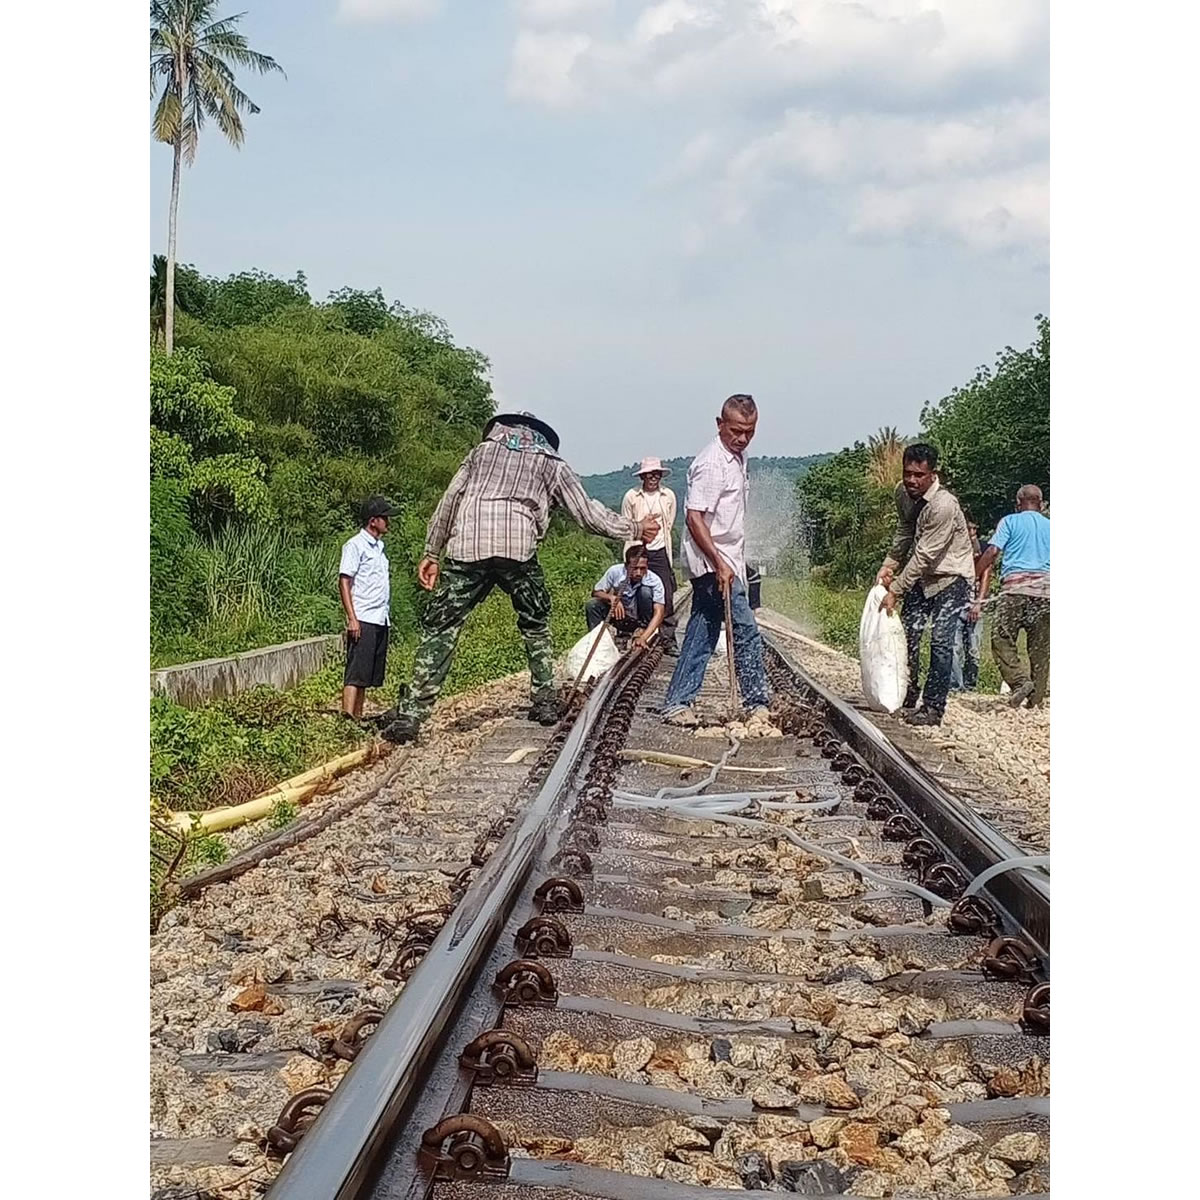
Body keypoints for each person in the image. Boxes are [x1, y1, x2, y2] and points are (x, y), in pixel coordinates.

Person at [381, 412, 660, 743]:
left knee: (442, 627)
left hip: (468, 545)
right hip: (518, 549)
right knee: (535, 623)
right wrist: (636, 528)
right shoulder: (551, 462)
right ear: (540, 435)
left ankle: (412, 715)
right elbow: (587, 514)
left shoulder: (480, 453)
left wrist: (431, 553)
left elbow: (449, 501)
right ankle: (544, 700)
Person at [660, 394, 770, 726]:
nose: (742, 438)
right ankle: (757, 703)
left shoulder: (739, 458)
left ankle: (677, 701)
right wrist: (720, 564)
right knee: (746, 629)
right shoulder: (711, 464)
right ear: (719, 424)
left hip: (727, 560)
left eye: (749, 431)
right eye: (736, 431)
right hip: (712, 563)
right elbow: (694, 519)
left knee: (702, 629)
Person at [876, 444, 976, 727]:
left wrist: (895, 589)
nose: (912, 481)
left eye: (919, 475)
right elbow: (905, 529)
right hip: (922, 577)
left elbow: (925, 554)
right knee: (906, 635)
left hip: (951, 576)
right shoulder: (903, 493)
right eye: (908, 473)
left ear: (933, 474)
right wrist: (890, 563)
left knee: (941, 642)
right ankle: (906, 694)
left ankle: (933, 707)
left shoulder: (944, 505)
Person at [975, 484, 1050, 708]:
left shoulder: (1009, 521)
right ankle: (1035, 702)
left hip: (1014, 591)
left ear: (1018, 504)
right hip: (1046, 593)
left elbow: (992, 551)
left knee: (1001, 639)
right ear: (1041, 504)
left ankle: (1019, 683)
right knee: (1040, 648)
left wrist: (974, 575)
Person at [338, 495, 394, 720]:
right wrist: (352, 618)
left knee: (366, 675)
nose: (388, 522)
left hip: (380, 617)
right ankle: (347, 718)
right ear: (373, 520)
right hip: (363, 616)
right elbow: (344, 580)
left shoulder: (379, 547)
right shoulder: (355, 545)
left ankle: (358, 718)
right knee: (355, 673)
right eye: (384, 518)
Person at [621, 458, 678, 653]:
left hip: (660, 550)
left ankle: (667, 638)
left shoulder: (668, 496)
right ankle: (629, 630)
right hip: (638, 549)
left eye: (657, 474)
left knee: (666, 594)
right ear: (643, 476)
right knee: (632, 590)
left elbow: (669, 523)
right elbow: (627, 525)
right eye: (650, 474)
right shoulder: (631, 497)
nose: (653, 477)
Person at [586, 543, 667, 648]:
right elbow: (596, 592)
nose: (638, 573)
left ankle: (642, 631)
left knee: (645, 591)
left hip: (639, 619)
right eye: (634, 568)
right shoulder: (615, 572)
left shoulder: (654, 581)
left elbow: (659, 612)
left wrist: (644, 638)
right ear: (626, 566)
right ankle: (597, 642)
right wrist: (611, 598)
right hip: (621, 616)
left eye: (642, 569)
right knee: (592, 605)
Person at [950, 521, 984, 691]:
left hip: (974, 605)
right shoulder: (955, 549)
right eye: (968, 528)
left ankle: (970, 685)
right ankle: (955, 685)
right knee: (954, 647)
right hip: (956, 605)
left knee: (973, 649)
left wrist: (978, 603)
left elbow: (986, 576)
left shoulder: (982, 551)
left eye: (974, 528)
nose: (971, 532)